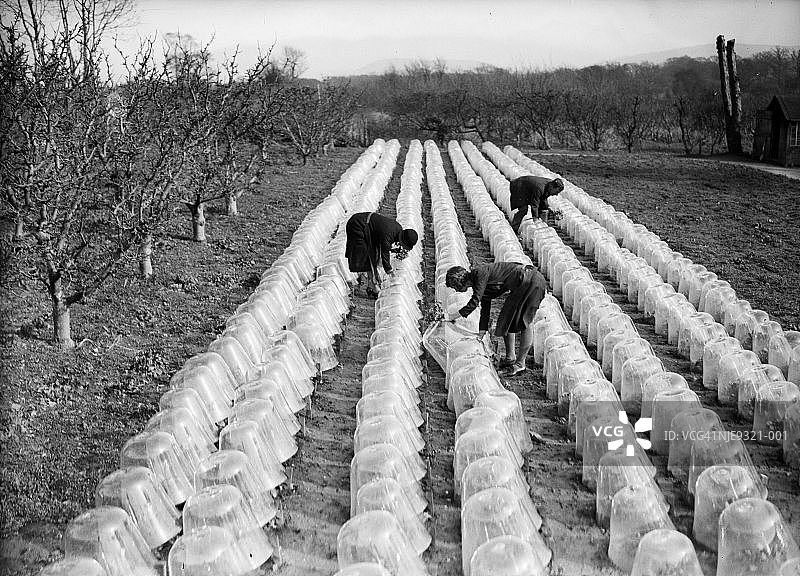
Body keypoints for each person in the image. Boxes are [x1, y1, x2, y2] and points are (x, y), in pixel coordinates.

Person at [445, 262, 547, 376]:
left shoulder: (479, 273)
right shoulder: (478, 282)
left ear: (458, 282)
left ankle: (520, 364)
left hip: (530, 281)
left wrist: (454, 315)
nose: (456, 290)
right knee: (506, 319)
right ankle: (510, 358)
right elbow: (485, 306)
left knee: (525, 321)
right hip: (522, 284)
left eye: (454, 287)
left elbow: (475, 301)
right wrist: (481, 331)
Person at [345, 211, 419, 298]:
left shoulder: (398, 229)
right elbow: (385, 255)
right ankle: (371, 285)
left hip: (367, 226)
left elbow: (384, 248)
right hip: (358, 225)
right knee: (364, 254)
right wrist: (390, 272)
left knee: (373, 255)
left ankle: (371, 285)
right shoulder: (388, 234)